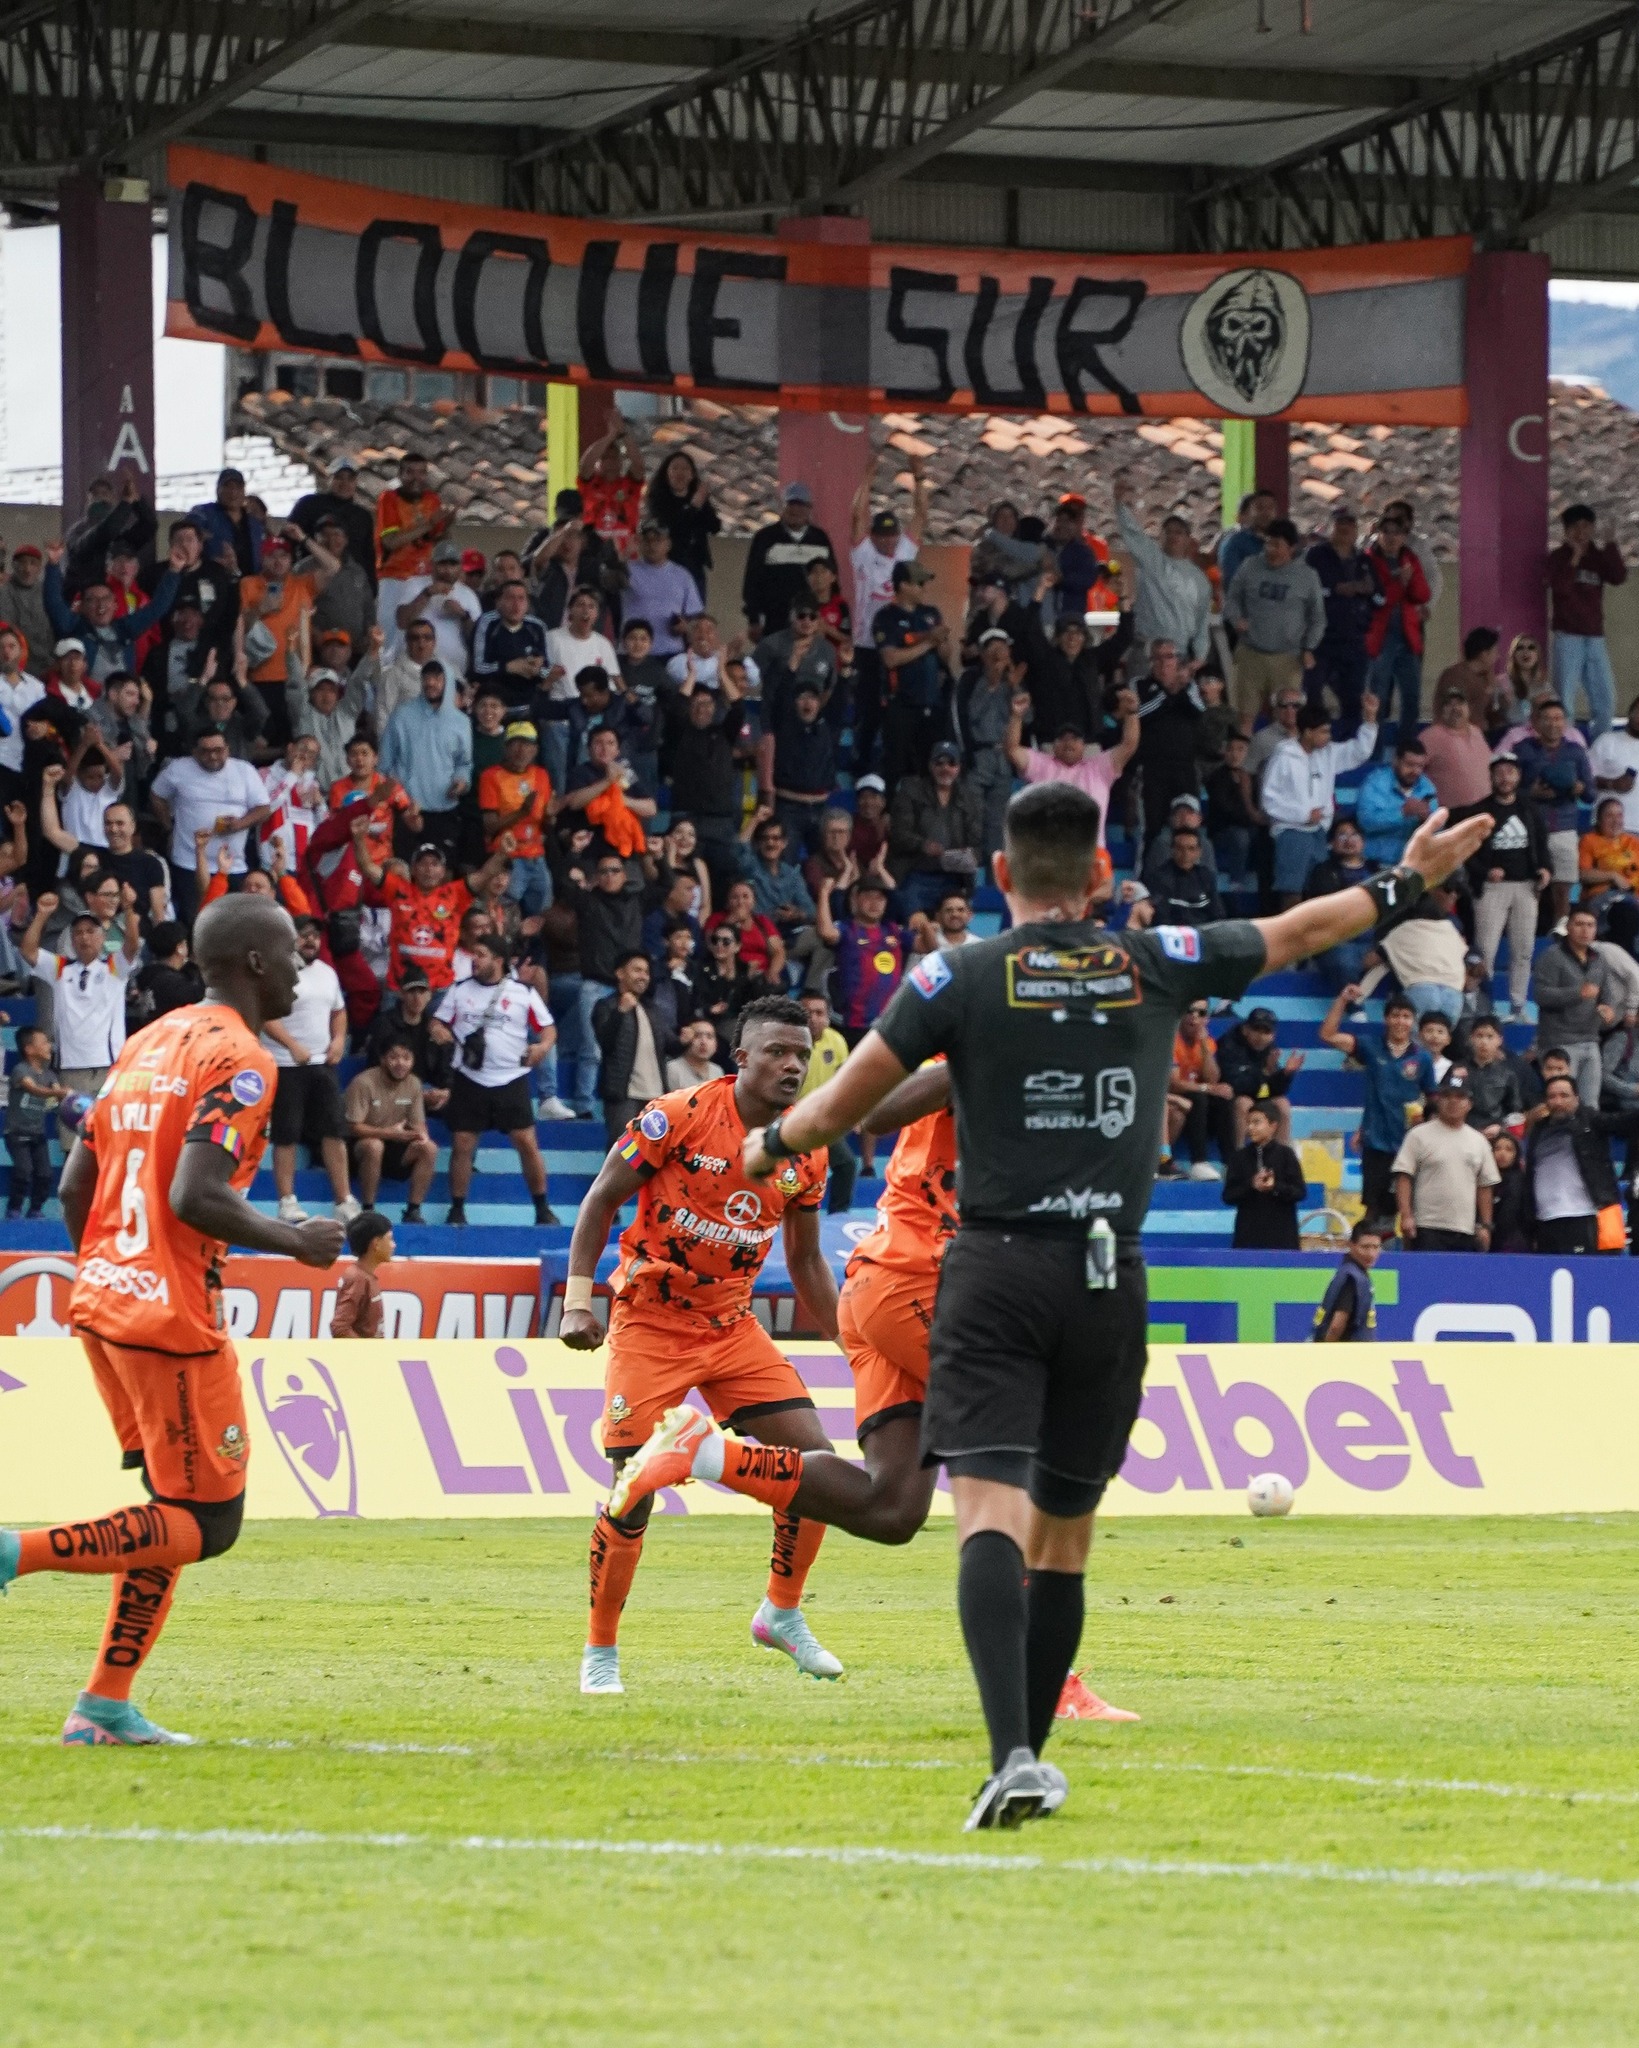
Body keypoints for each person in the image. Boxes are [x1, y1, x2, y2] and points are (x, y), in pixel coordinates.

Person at [605, 779, 1490, 1828]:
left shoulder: (957, 974)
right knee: (1059, 1532)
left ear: (997, 876)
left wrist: (771, 1144)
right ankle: (1037, 1717)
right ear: (1105, 877)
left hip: (984, 1271)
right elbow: (1305, 926)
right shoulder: (1149, 960)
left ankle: (1012, 1750)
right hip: (1099, 1274)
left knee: (954, 1509)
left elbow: (851, 1100)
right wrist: (1405, 880)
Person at [0, 892, 344, 1744]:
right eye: (291, 950)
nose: (302, 963)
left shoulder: (148, 1042)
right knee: (210, 1523)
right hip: (170, 1317)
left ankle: (103, 1706)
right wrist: (296, 1241)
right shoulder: (244, 1061)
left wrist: (111, 1268)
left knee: (167, 1506)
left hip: (104, 1302)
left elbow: (78, 1184)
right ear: (255, 964)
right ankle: (12, 1555)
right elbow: (197, 1194)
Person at [559, 995, 842, 1697]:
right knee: (632, 1493)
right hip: (651, 1324)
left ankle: (780, 1612)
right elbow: (600, 1199)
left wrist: (851, 1340)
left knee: (820, 1471)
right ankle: (600, 1654)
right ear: (740, 1058)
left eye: (801, 1056)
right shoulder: (678, 1115)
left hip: (731, 1327)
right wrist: (575, 1300)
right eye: (777, 1052)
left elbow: (806, 1262)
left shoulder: (805, 1145)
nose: (791, 1065)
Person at [431, 931, 557, 1227]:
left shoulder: (522, 992)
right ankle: (457, 1209)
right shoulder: (459, 990)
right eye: (474, 955)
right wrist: (438, 1030)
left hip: (511, 1077)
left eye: (481, 955)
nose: (475, 960)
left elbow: (548, 1028)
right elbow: (437, 1021)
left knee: (526, 1141)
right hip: (470, 1077)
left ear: (498, 960)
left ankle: (542, 1208)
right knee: (462, 1143)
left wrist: (542, 1047)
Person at [19, 887, 141, 1132]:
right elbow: (28, 951)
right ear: (72, 939)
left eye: (90, 931)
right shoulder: (61, 968)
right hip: (71, 1067)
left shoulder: (113, 968)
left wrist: (128, 909)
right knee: (73, 1140)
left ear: (102, 937)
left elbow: (132, 946)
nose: (84, 937)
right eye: (78, 933)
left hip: (108, 1065)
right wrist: (42, 915)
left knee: (107, 1134)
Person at [262, 916, 357, 1226]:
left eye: (315, 935)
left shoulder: (328, 973)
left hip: (323, 1064)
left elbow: (338, 1011)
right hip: (285, 1064)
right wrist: (291, 1045)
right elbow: (265, 1016)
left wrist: (339, 1039)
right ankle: (287, 1201)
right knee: (286, 1135)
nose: (310, 941)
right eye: (303, 936)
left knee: (334, 1131)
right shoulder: (277, 971)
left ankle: (344, 1200)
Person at [1322, 989, 1436, 1225]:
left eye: (1406, 1016)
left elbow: (1434, 1099)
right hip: (1376, 1142)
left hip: (1408, 1143)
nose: (1400, 1021)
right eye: (1395, 1015)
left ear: (1413, 1021)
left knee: (1407, 1211)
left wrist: (1424, 1122)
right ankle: (1372, 1257)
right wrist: (1342, 1000)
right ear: (1386, 1019)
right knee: (1373, 1210)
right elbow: (1327, 1035)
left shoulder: (1422, 1058)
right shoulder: (1370, 1047)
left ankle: (1404, 1259)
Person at [1259, 695, 1380, 904]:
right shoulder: (1283, 756)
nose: (1328, 736)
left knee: (1320, 888)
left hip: (1319, 832)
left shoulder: (1328, 753)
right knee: (1292, 890)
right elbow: (1269, 799)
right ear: (1307, 732)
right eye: (1324, 732)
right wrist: (1302, 815)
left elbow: (1359, 752)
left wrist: (1369, 720)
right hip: (1291, 832)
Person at [149, 729, 272, 926]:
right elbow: (157, 795)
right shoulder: (179, 768)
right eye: (205, 751)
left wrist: (240, 824)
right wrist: (168, 826)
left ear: (227, 749)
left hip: (234, 864)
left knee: (235, 924)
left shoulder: (244, 770)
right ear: (194, 752)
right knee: (198, 922)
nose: (212, 756)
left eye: (218, 750)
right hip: (189, 861)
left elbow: (264, 808)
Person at [1460, 752, 1550, 1020]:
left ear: (1518, 776)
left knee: (1523, 951)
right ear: (1491, 776)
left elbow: (1542, 845)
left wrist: (1546, 870)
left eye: (1510, 771)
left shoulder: (1529, 808)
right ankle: (1479, 1004)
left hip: (1525, 887)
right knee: (1484, 950)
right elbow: (1467, 852)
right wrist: (1485, 871)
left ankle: (1517, 1007)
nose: (1505, 777)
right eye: (1499, 772)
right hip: (1492, 889)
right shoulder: (1479, 811)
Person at [1224, 517, 1327, 728]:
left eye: (1277, 545)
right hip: (1250, 653)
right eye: (1268, 543)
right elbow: (1232, 598)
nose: (1271, 549)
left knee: (1285, 720)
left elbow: (1318, 617)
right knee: (1244, 716)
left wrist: (1309, 647)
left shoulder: (1307, 576)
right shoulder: (1250, 565)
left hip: (1288, 658)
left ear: (1292, 547)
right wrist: (1236, 618)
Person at [1524, 1072, 1638, 1254]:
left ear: (1577, 1098)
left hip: (1583, 1216)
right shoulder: (1538, 1130)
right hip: (1544, 1220)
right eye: (1552, 1097)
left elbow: (1624, 1122)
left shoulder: (1591, 1120)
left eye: (1564, 1096)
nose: (1558, 1102)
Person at [1112, 476, 1210, 673]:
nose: (1173, 536)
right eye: (1168, 532)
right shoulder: (1151, 559)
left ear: (1188, 539)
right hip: (1147, 651)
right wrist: (1120, 505)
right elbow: (1133, 534)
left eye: (1179, 533)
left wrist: (1200, 656)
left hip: (1179, 654)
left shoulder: (1199, 580)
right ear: (1160, 537)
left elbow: (1202, 621)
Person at [1391, 1074, 1498, 1251]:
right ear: (1438, 1101)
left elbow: (1485, 1185)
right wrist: (1406, 1215)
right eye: (1447, 1096)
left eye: (1459, 1097)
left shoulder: (1479, 1141)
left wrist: (1486, 1226)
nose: (1453, 1102)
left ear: (1469, 1104)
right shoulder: (1418, 1135)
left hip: (1465, 1229)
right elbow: (1404, 1176)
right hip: (1426, 1227)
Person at [1548, 502, 1626, 741]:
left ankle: (1597, 749)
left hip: (1595, 638)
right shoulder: (1558, 557)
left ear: (1592, 528)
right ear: (1566, 530)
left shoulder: (1599, 557)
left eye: (1585, 526)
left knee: (1606, 703)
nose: (1580, 533)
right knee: (1565, 703)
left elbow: (1618, 576)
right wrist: (1575, 557)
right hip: (1567, 636)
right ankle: (1569, 748)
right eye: (1574, 527)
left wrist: (1611, 543)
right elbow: (1559, 589)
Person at [342, 1037, 438, 1223]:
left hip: (395, 1144)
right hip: (360, 1146)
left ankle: (413, 1211)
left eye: (406, 1058)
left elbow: (418, 1122)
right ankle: (368, 1210)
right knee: (374, 1146)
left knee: (429, 1148)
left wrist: (421, 1135)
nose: (400, 1063)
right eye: (394, 1057)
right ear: (383, 1059)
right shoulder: (364, 1082)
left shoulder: (414, 1084)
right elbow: (353, 1127)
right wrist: (389, 1133)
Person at [1515, 698, 1592, 924]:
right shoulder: (1523, 750)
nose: (1552, 724)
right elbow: (1507, 790)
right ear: (1536, 723)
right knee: (1532, 890)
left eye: (1558, 718)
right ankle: (1528, 935)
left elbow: (1591, 794)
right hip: (1531, 829)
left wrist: (1579, 788)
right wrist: (1532, 793)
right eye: (1546, 719)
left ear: (1565, 722)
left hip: (1564, 829)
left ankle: (1561, 934)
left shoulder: (1576, 751)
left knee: (1563, 892)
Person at [887, 740, 982, 917]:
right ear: (931, 766)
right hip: (915, 874)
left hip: (953, 877)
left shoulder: (969, 798)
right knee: (914, 925)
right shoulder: (910, 791)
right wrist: (923, 845)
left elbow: (976, 842)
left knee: (953, 923)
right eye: (939, 763)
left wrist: (968, 854)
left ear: (959, 767)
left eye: (951, 763)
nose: (945, 768)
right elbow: (898, 834)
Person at [1533, 905, 1616, 1107]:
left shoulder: (1599, 959)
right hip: (1559, 1041)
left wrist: (1607, 1008)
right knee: (1561, 1104)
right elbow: (1541, 995)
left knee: (1590, 1104)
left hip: (1591, 1039)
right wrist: (1577, 993)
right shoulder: (1552, 956)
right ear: (1568, 927)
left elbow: (1607, 993)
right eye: (1579, 924)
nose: (1585, 930)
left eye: (1590, 925)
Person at [1361, 508, 1433, 741]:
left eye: (1397, 533)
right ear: (1378, 534)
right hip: (1380, 639)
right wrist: (1398, 584)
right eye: (1386, 532)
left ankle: (1407, 748)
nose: (1391, 537)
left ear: (1404, 536)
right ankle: (1376, 749)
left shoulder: (1410, 558)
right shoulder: (1368, 560)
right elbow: (1376, 598)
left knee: (1411, 698)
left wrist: (1409, 580)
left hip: (1408, 638)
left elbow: (1422, 595)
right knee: (1379, 697)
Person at [1304, 507, 1374, 735]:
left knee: (1353, 699)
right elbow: (1307, 591)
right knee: (1313, 693)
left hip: (1353, 640)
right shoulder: (1315, 556)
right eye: (1339, 524)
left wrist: (1365, 590)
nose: (1344, 530)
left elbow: (1376, 592)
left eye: (1349, 525)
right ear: (1330, 528)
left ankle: (1349, 747)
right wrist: (1335, 590)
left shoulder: (1364, 559)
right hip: (1321, 639)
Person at [592, 950, 670, 1146]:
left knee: (655, 1153)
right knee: (622, 1152)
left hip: (656, 1094)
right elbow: (606, 1043)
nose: (643, 976)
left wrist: (687, 1038)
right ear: (620, 973)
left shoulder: (653, 1009)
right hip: (623, 1094)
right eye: (637, 970)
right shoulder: (606, 1005)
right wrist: (620, 1012)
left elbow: (670, 1045)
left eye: (646, 971)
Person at [742, 481, 838, 639]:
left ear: (809, 508)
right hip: (775, 620)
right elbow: (752, 581)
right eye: (791, 504)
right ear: (782, 506)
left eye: (801, 505)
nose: (796, 509)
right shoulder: (765, 538)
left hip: (811, 619)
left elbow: (833, 579)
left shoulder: (820, 538)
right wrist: (754, 619)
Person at [375, 452, 450, 641]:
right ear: (400, 475)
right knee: (391, 637)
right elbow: (390, 541)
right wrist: (428, 524)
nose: (416, 478)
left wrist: (447, 524)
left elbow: (438, 539)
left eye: (421, 473)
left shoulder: (433, 499)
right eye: (410, 472)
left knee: (424, 636)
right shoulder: (389, 498)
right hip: (394, 577)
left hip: (425, 577)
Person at [797, 992, 858, 1213]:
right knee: (791, 1174)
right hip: (789, 1118)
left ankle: (839, 1216)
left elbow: (845, 1079)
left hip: (823, 1119)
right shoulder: (789, 1041)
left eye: (819, 1013)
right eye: (807, 1013)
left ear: (828, 1017)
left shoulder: (837, 1040)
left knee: (847, 1165)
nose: (813, 1018)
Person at [1165, 997, 1236, 1179]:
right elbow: (1174, 1084)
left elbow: (1213, 1078)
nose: (1194, 1017)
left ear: (1207, 1019)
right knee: (1200, 1096)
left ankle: (1230, 1163)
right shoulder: (1172, 1040)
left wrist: (1203, 1044)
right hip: (1176, 1100)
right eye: (1190, 1011)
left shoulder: (1208, 1042)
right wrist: (1205, 1088)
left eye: (1201, 1013)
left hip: (1198, 1108)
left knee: (1224, 1096)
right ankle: (1199, 1162)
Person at [1222, 1100, 1307, 1250]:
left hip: (1282, 1239)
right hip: (1248, 1238)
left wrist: (1275, 1187)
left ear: (1273, 1126)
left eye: (1256, 1122)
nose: (1250, 1128)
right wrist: (1252, 1185)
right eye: (1248, 1123)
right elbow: (1228, 1195)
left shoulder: (1286, 1155)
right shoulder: (1239, 1157)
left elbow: (1299, 1192)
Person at [1214, 1003, 1302, 1146]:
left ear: (1273, 1036)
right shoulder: (1229, 1045)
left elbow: (1274, 1091)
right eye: (1256, 1029)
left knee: (1282, 1104)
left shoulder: (1268, 1050)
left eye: (1266, 1032)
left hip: (1255, 1094)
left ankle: (1281, 1159)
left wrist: (1284, 1074)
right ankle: (1239, 1157)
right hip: (1224, 1104)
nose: (1260, 1036)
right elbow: (1235, 1084)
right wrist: (1265, 1072)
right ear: (1245, 1029)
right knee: (1244, 1103)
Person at [5, 1023, 66, 1218]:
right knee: (23, 1171)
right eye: (44, 1042)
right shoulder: (20, 1071)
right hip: (16, 1134)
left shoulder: (49, 1075)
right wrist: (59, 1092)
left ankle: (35, 1209)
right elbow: (35, 1090)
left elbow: (59, 1095)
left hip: (37, 1134)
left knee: (45, 1174)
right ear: (29, 1049)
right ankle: (14, 1209)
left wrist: (70, 1098)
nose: (50, 1046)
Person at [643, 449, 720, 589]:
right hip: (669, 564)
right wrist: (694, 506)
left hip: (695, 565)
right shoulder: (658, 500)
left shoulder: (699, 498)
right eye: (675, 468)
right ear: (667, 474)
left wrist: (703, 504)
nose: (680, 473)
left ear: (691, 475)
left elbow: (715, 527)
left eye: (685, 468)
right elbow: (671, 524)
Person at [1356, 739, 1436, 866]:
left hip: (1413, 863)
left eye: (1420, 766)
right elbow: (1366, 822)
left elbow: (1437, 831)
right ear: (1396, 761)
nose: (1415, 771)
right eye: (1409, 765)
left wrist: (1428, 820)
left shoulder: (1427, 787)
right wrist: (1402, 812)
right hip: (1376, 863)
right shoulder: (1375, 783)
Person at [1578, 796, 1639, 953]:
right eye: (1609, 815)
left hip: (1634, 899)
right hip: (1605, 901)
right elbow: (1583, 874)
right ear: (1598, 819)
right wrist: (1612, 876)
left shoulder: (1633, 842)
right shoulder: (1589, 840)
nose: (1615, 820)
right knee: (1625, 914)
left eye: (1619, 815)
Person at [1420, 687, 1494, 814]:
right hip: (1451, 816)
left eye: (1460, 703)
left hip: (1485, 812)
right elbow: (1411, 772)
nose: (1455, 709)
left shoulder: (1477, 732)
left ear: (1468, 708)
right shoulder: (1430, 737)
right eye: (1448, 704)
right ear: (1440, 710)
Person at [1312, 1219, 1383, 1340]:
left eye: (1376, 1247)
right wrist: (1325, 1354)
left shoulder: (1352, 1272)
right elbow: (1336, 1326)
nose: (1371, 1254)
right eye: (1365, 1247)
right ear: (1351, 1245)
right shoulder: (1352, 1279)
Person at [331, 1211, 395, 1338]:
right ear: (376, 1244)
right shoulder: (357, 1279)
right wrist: (365, 1353)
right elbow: (340, 1327)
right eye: (390, 1239)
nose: (393, 1245)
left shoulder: (365, 1276)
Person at [666, 1015, 724, 1094]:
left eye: (709, 1037)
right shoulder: (672, 1069)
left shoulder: (717, 1071)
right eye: (697, 1036)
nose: (703, 1042)